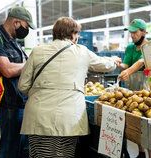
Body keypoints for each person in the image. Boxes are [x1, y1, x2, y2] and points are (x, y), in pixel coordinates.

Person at [18, 17, 121, 157]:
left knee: (39, 154)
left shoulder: (37, 51)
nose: (77, 37)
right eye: (77, 34)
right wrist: (114, 61)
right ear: (72, 34)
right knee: (63, 153)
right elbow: (105, 65)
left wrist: (40, 93)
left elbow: (23, 85)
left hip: (38, 116)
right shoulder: (82, 52)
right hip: (68, 118)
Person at [0, 6, 36, 158]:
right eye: (26, 26)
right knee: (9, 150)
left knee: (20, 149)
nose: (27, 31)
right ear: (16, 22)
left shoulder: (14, 42)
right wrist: (33, 63)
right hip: (7, 105)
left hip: (20, 102)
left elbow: (21, 66)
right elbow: (7, 70)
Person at [118, 19, 151, 158]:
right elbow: (126, 65)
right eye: (131, 32)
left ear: (144, 32)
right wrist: (119, 64)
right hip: (132, 90)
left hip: (147, 91)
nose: (132, 35)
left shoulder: (150, 47)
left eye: (135, 32)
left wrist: (128, 72)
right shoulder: (130, 48)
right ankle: (140, 152)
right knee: (135, 122)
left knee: (148, 124)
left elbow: (141, 62)